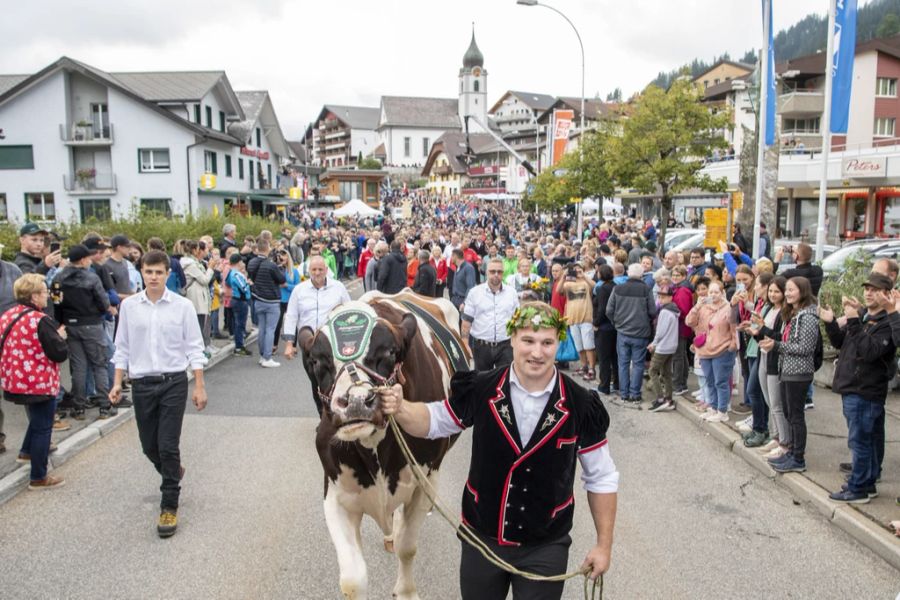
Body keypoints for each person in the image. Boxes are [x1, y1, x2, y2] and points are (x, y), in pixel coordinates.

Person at [380, 302, 618, 599]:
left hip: (545, 546)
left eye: (547, 342)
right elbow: (435, 421)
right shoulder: (482, 387)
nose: (537, 352)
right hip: (482, 539)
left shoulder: (581, 403)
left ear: (559, 343)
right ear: (513, 339)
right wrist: (400, 408)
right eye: (528, 340)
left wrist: (603, 546)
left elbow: (602, 477)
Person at [110, 250, 207, 538]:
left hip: (173, 382)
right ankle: (173, 471)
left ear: (168, 274)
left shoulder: (182, 306)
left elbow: (194, 347)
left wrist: (199, 386)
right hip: (141, 384)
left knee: (167, 446)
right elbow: (122, 348)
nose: (153, 277)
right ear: (141, 272)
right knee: (148, 446)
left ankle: (169, 506)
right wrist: (117, 383)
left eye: (158, 272)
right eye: (148, 272)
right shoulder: (130, 308)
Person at [820, 274, 896, 503]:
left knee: (860, 441)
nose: (869, 293)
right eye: (867, 288)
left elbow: (870, 352)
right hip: (853, 387)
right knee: (867, 440)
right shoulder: (864, 317)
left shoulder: (888, 323)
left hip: (866, 391)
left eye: (876, 289)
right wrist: (831, 322)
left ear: (887, 294)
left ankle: (858, 488)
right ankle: (867, 482)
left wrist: (853, 320)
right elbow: (841, 343)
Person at [0, 274, 69, 489]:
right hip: (38, 381)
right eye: (43, 291)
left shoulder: (7, 315)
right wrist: (61, 338)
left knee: (37, 420)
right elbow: (58, 353)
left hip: (16, 379)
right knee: (43, 427)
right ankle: (39, 476)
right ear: (34, 295)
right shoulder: (40, 320)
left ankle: (26, 452)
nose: (47, 295)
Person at [757, 276, 818, 474]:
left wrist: (777, 345)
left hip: (799, 372)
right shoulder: (793, 313)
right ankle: (791, 452)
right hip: (788, 370)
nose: (789, 293)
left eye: (792, 290)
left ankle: (798, 457)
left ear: (803, 291)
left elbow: (805, 348)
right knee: (790, 414)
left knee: (796, 416)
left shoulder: (807, 316)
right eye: (788, 290)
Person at [51, 244, 114, 418]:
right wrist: (100, 312)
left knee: (79, 366)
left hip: (70, 325)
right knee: (99, 364)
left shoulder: (58, 278)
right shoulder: (91, 278)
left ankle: (79, 407)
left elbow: (56, 303)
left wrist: (62, 320)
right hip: (91, 324)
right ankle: (104, 405)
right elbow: (103, 302)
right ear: (84, 260)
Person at [283, 256, 350, 415]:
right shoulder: (299, 290)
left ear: (326, 270)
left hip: (334, 344)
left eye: (320, 269)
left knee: (336, 379)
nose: (317, 273)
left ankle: (336, 412)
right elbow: (291, 316)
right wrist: (288, 344)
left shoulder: (338, 287)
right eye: (314, 269)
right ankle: (323, 415)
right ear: (309, 271)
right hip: (310, 344)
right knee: (316, 382)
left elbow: (348, 311)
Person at [685, 280, 738, 423]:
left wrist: (733, 345)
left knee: (721, 382)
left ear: (722, 293)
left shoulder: (728, 308)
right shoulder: (703, 307)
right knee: (710, 381)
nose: (713, 295)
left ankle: (722, 411)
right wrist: (697, 306)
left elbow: (734, 328)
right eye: (711, 292)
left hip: (722, 349)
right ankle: (713, 407)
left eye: (716, 292)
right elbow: (689, 322)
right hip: (704, 350)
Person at [606, 263, 657, 405]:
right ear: (641, 275)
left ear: (628, 273)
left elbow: (609, 310)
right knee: (638, 364)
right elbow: (653, 312)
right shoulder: (646, 289)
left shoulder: (618, 288)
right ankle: (635, 394)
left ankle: (624, 393)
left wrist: (616, 324)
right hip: (641, 333)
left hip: (622, 332)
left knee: (623, 363)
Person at [460, 257, 519, 370]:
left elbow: (517, 320)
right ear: (487, 272)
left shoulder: (512, 293)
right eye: (492, 271)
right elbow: (467, 320)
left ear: (503, 273)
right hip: (481, 347)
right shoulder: (474, 293)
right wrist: (465, 343)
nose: (496, 274)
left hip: (505, 346)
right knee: (483, 381)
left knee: (504, 381)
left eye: (499, 272)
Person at [247, 238, 286, 368]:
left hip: (258, 299)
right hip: (272, 300)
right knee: (270, 329)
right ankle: (267, 357)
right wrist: (280, 267)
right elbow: (281, 279)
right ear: (268, 248)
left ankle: (262, 355)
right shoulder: (270, 265)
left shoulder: (252, 262)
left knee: (262, 329)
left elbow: (251, 277)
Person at [559, 263, 596, 381]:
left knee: (588, 345)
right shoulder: (568, 284)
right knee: (579, 345)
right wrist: (563, 276)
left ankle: (592, 368)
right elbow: (559, 290)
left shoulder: (586, 282)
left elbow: (595, 286)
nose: (577, 271)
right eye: (575, 270)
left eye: (579, 269)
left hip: (586, 317)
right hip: (572, 318)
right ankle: (584, 366)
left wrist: (583, 275)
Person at [647, 285, 679, 412]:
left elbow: (660, 332)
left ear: (671, 297)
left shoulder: (665, 312)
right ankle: (669, 399)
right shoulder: (674, 310)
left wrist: (653, 343)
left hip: (663, 347)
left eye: (664, 297)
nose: (661, 299)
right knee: (666, 373)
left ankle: (661, 399)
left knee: (652, 371)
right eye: (659, 297)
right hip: (671, 345)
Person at [181, 240, 216, 351]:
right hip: (195, 299)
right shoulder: (190, 264)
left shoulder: (196, 263)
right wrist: (210, 268)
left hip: (199, 298)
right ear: (195, 250)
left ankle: (201, 349)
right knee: (197, 326)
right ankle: (197, 351)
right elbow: (204, 280)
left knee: (201, 324)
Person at [592, 264, 618, 396]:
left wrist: (596, 322)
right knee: (615, 357)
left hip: (604, 327)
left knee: (604, 358)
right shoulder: (615, 286)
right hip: (615, 327)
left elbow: (602, 309)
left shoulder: (603, 289)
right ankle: (617, 384)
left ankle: (604, 386)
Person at [670, 265, 694, 396]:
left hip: (680, 327)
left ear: (684, 276)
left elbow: (683, 310)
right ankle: (681, 383)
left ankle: (678, 384)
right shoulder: (678, 288)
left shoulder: (683, 290)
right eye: (673, 275)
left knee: (678, 356)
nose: (674, 278)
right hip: (679, 326)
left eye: (677, 275)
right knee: (681, 355)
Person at [225, 253, 252, 356]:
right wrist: (247, 283)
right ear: (238, 262)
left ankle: (239, 345)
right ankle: (239, 347)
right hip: (240, 300)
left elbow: (228, 283)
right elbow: (243, 287)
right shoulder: (236, 274)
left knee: (238, 323)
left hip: (235, 299)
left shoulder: (230, 273)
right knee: (240, 324)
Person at [274, 249, 301, 350]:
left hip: (291, 300)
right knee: (278, 324)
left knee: (292, 323)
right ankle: (274, 344)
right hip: (279, 300)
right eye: (280, 256)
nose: (282, 258)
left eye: (284, 256)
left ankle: (293, 346)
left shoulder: (294, 271)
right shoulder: (276, 269)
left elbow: (298, 287)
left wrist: (286, 285)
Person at [450, 248, 477, 313]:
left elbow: (470, 287)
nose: (451, 258)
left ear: (455, 256)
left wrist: (465, 303)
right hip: (455, 300)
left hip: (462, 302)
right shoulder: (457, 267)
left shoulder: (468, 268)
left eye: (452, 256)